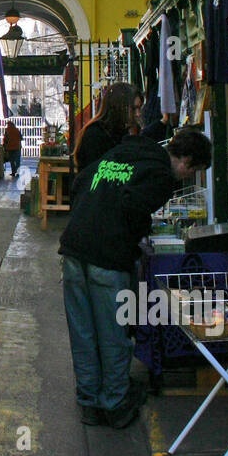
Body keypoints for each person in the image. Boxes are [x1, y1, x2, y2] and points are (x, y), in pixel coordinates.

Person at [59, 126, 212, 429]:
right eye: (192, 170)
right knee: (114, 335)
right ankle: (115, 404)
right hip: (107, 257)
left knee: (83, 333)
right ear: (185, 161)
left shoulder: (126, 152)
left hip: (74, 249)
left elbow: (81, 181)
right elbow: (133, 207)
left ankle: (89, 402)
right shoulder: (160, 176)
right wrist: (136, 232)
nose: (187, 177)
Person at [73, 83, 142, 172]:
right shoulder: (95, 134)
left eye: (139, 108)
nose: (138, 114)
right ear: (119, 106)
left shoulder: (124, 131)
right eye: (133, 108)